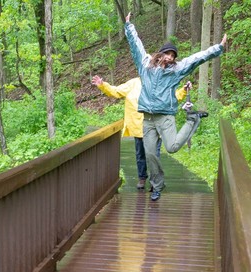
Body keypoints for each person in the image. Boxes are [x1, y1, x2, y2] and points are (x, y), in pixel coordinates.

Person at [125, 12, 227, 201]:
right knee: (150, 155)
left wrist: (218, 48)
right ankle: (157, 186)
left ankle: (192, 120)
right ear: (160, 54)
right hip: (147, 119)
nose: (170, 58)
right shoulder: (145, 65)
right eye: (168, 54)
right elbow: (135, 46)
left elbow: (197, 58)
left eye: (173, 56)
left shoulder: (176, 71)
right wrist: (129, 26)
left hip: (165, 117)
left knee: (171, 147)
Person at [91, 75, 190, 190]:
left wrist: (183, 90)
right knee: (140, 155)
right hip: (138, 127)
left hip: (154, 127)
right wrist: (103, 85)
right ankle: (142, 178)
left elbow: (171, 97)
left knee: (154, 155)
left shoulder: (159, 83)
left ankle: (156, 181)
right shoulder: (132, 84)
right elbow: (116, 91)